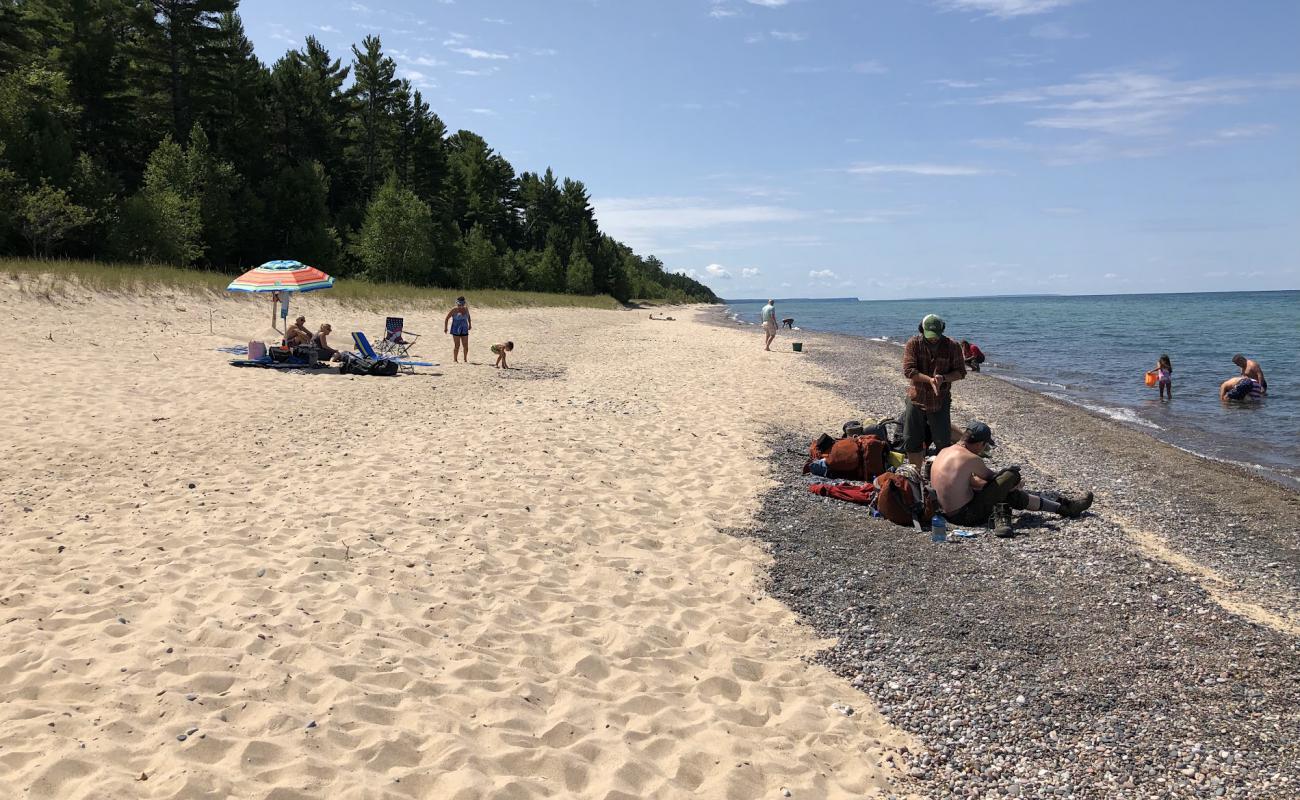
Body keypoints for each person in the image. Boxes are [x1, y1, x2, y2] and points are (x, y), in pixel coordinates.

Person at [931, 422, 1094, 538]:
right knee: (1011, 475)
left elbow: (973, 483)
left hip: (943, 513)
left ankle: (1065, 508)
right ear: (979, 443)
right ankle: (1067, 508)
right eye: (985, 446)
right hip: (964, 515)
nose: (983, 449)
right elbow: (996, 480)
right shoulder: (970, 458)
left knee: (1009, 493)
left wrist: (1004, 488)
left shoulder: (945, 451)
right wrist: (1014, 483)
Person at [901, 314, 966, 468]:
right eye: (929, 336)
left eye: (936, 336)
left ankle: (940, 474)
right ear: (921, 330)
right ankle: (915, 474)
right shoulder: (914, 344)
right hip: (916, 398)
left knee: (943, 441)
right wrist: (929, 380)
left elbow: (960, 372)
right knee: (911, 440)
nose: (933, 339)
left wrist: (943, 378)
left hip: (940, 400)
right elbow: (909, 371)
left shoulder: (952, 346)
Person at [444, 297, 472, 363]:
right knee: (457, 345)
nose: (460, 306)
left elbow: (468, 316)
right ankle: (455, 359)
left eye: (462, 305)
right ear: (457, 304)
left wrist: (470, 324)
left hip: (464, 328)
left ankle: (465, 359)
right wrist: (445, 328)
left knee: (465, 345)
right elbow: (446, 318)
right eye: (459, 305)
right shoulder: (454, 310)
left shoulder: (466, 309)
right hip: (455, 329)